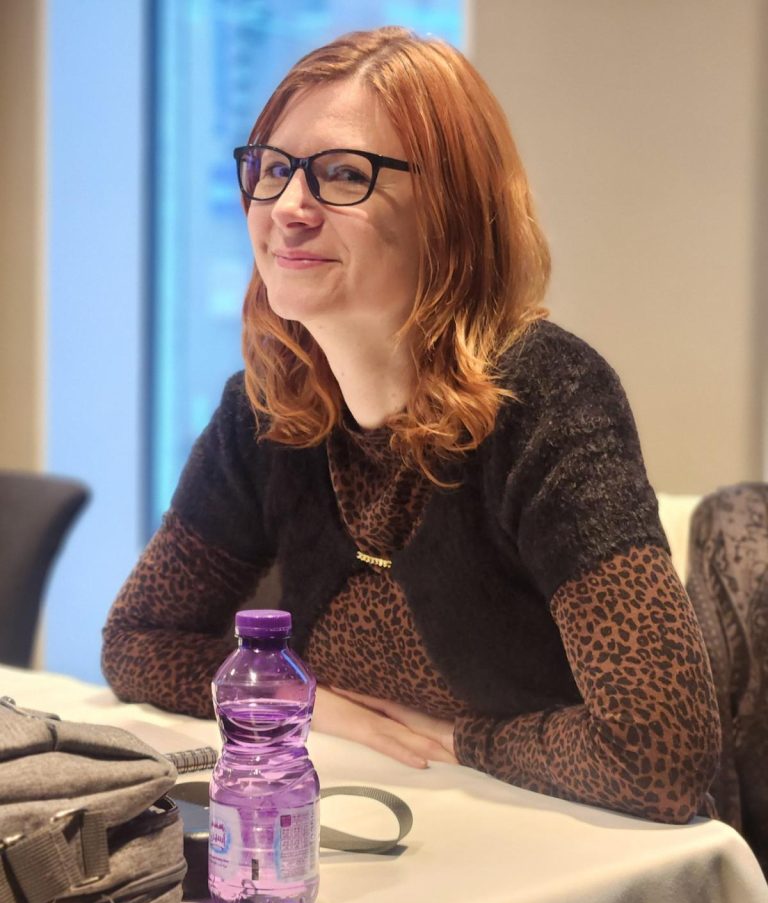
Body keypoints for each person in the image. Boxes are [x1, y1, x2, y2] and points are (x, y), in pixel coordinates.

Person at [103, 25, 721, 825]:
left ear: (450, 209)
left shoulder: (548, 398)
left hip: (565, 846)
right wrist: (307, 699)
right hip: (370, 816)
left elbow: (659, 757)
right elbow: (139, 641)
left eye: (342, 175)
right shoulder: (268, 408)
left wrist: (465, 740)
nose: (288, 209)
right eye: (274, 170)